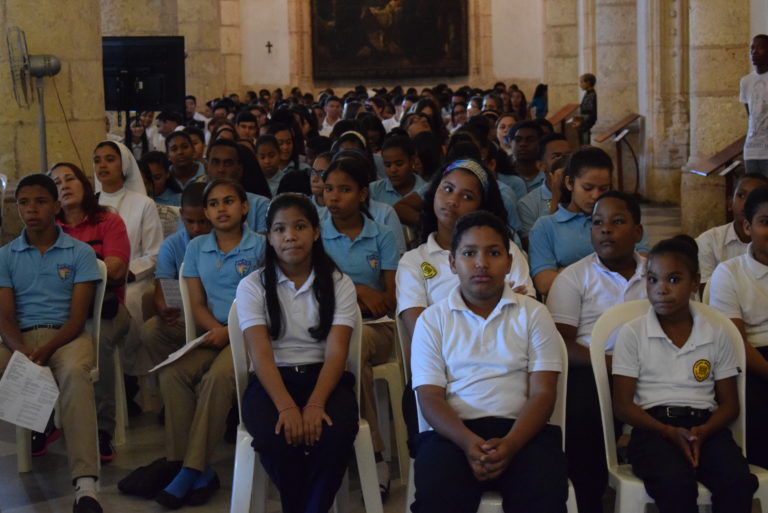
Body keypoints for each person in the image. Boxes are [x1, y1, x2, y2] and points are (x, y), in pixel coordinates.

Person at [410, 210, 568, 513]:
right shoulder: (433, 320)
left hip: (522, 431)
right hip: (454, 434)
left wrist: (510, 444)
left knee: (544, 494)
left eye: (494, 253)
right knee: (436, 495)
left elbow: (544, 393)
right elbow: (429, 397)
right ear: (452, 263)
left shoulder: (534, 314)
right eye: (469, 253)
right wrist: (468, 443)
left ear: (509, 263)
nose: (481, 263)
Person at [613, 237, 758, 513]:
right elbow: (622, 405)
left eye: (674, 280)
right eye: (653, 280)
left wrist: (701, 433)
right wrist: (668, 431)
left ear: (695, 283)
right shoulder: (633, 333)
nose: (661, 290)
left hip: (706, 428)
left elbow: (729, 404)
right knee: (674, 484)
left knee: (737, 482)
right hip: (652, 429)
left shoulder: (716, 332)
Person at [237, 193, 360, 513]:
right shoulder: (252, 286)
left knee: (335, 438)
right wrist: (287, 407)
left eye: (300, 226)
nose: (289, 236)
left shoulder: (339, 283)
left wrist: (316, 403)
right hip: (272, 382)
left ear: (316, 232)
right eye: (279, 229)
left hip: (325, 378)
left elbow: (336, 354)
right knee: (274, 437)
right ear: (269, 237)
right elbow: (261, 356)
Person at [151, 179, 266, 508]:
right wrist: (215, 329)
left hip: (250, 335)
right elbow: (196, 302)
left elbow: (266, 303)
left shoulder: (260, 246)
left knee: (217, 378)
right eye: (214, 203)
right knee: (172, 372)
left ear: (244, 207)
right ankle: (185, 463)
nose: (221, 209)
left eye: (229, 201)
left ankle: (191, 470)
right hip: (212, 331)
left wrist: (229, 332)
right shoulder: (196, 248)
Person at [0, 174, 104, 513]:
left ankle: (86, 486)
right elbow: (4, 317)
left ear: (56, 206)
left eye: (40, 201)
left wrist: (43, 352)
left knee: (75, 373)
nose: (31, 209)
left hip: (65, 336)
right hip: (19, 338)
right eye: (24, 203)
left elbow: (77, 319)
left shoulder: (80, 252)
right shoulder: (6, 255)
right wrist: (22, 352)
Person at [547, 191, 647, 512]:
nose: (605, 230)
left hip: (653, 369)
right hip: (594, 369)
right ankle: (590, 497)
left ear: (638, 232)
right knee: (581, 412)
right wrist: (610, 363)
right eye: (597, 223)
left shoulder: (656, 274)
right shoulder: (574, 278)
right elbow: (560, 342)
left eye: (617, 222)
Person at [320, 157, 399, 497]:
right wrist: (359, 290)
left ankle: (375, 454)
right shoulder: (314, 232)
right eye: (328, 189)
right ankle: (363, 451)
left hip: (375, 327)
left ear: (363, 194)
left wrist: (371, 296)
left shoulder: (381, 235)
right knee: (352, 361)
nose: (334, 197)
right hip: (326, 325)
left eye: (345, 190)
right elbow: (313, 286)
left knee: (355, 344)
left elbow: (391, 297)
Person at [49, 162, 132, 462]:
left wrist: (69, 272)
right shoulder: (50, 228)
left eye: (70, 178)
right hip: (61, 314)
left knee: (99, 340)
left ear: (84, 183)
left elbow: (116, 267)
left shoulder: (107, 221)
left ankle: (103, 429)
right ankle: (42, 423)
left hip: (106, 310)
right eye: (56, 182)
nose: (64, 185)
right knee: (34, 338)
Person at [529, 146, 648, 296]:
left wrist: (565, 271)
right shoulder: (546, 226)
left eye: (603, 189)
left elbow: (642, 270)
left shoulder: (625, 218)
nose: (595, 196)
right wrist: (615, 272)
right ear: (569, 183)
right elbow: (544, 283)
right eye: (588, 188)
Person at [709, 184, 768, 469]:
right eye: (765, 223)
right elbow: (736, 340)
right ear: (748, 227)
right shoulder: (730, 273)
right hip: (753, 359)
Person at [93, 140, 164, 374]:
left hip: (133, 279)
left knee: (130, 301)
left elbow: (155, 253)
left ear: (123, 164)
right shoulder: (90, 205)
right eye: (97, 160)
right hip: (93, 280)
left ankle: (127, 375)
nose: (103, 165)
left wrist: (127, 273)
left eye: (110, 159)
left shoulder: (144, 204)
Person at [139, 183, 211, 370]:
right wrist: (164, 307)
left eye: (203, 222)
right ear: (181, 215)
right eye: (190, 221)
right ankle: (171, 374)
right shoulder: (172, 245)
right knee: (150, 331)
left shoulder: (223, 240)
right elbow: (161, 285)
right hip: (185, 315)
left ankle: (185, 374)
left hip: (218, 315)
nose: (196, 228)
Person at [696, 173, 768, 283]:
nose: (747, 203)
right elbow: (706, 292)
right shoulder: (709, 242)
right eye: (741, 195)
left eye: (755, 197)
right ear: (730, 203)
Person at [517, 133, 572, 244]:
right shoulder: (527, 204)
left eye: (568, 156)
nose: (565, 162)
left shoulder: (584, 193)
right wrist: (556, 196)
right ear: (541, 166)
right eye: (556, 156)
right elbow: (534, 247)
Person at [207, 139, 269, 233]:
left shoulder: (260, 204)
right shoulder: (195, 202)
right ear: (206, 167)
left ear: (239, 170)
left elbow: (263, 245)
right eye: (215, 162)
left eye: (227, 163)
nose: (220, 169)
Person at [369, 135, 426, 207]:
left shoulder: (425, 190)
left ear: (412, 160)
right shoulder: (374, 190)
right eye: (388, 165)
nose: (393, 170)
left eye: (399, 164)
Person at [740, 34, 768, 176]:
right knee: (754, 194)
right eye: (752, 48)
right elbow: (750, 114)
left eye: (760, 48)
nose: (754, 52)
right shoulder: (746, 81)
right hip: (751, 149)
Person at [508, 121, 545, 192]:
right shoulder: (503, 176)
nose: (523, 144)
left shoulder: (548, 177)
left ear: (540, 143)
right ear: (510, 143)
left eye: (530, 140)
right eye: (518, 139)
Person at [575, 74, 597, 145]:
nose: (580, 84)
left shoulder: (592, 95)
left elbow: (592, 113)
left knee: (586, 146)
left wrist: (583, 122)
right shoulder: (587, 94)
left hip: (587, 125)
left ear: (588, 82)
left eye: (582, 82)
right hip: (583, 125)